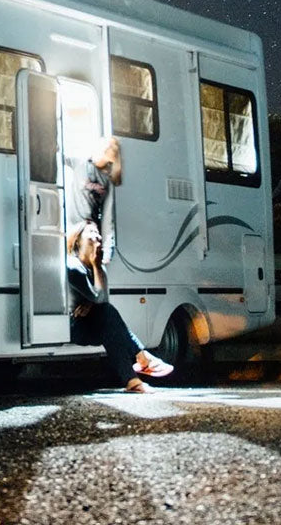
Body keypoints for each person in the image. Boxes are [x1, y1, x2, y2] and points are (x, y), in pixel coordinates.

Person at [67, 219, 173, 392]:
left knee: (110, 326)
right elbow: (100, 300)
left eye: (98, 233)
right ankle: (142, 357)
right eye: (91, 233)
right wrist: (95, 268)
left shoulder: (99, 268)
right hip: (72, 328)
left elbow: (101, 302)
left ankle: (133, 381)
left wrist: (91, 303)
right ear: (78, 239)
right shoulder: (73, 266)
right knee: (108, 316)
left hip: (90, 325)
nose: (98, 237)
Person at [66, 136, 122, 264]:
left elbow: (108, 217)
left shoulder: (107, 179)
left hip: (89, 233)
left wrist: (107, 250)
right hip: (74, 229)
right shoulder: (79, 162)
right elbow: (60, 155)